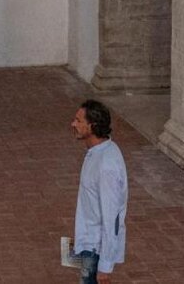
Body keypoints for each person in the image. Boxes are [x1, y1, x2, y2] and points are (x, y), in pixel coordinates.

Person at [69, 100, 128, 284]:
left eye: (78, 121)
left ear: (92, 126)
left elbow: (112, 218)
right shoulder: (98, 151)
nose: (73, 124)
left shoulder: (105, 166)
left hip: (94, 248)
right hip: (87, 241)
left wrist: (105, 266)